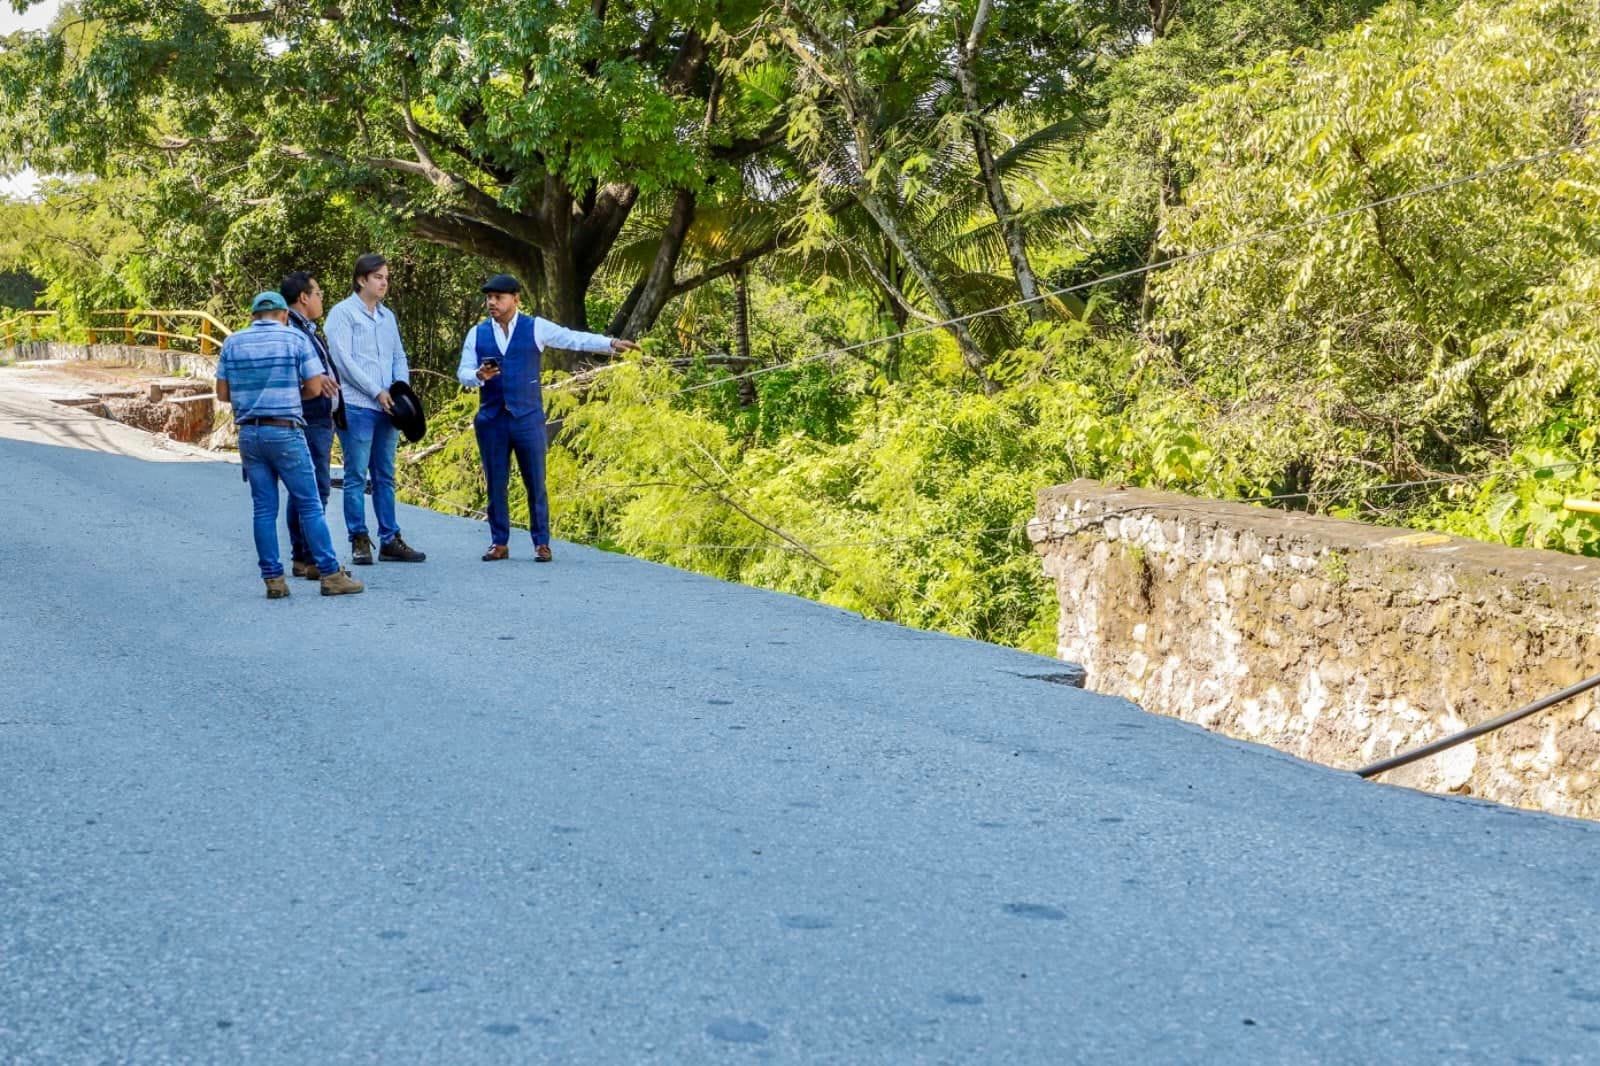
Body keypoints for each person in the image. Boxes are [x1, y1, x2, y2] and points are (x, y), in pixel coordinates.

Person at [456, 273, 639, 561]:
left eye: (498, 297)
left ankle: (541, 543)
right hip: (492, 419)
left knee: (535, 482)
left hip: (527, 418)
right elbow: (463, 372)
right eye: (489, 298)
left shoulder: (535, 327)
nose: (492, 303)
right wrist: (478, 375)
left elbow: (572, 338)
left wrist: (610, 344)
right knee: (496, 483)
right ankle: (499, 542)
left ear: (515, 299)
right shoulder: (477, 333)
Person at [215, 291, 364, 599]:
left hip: (249, 434)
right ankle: (330, 574)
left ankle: (273, 580)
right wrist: (290, 396)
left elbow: (223, 393)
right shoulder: (294, 339)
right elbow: (314, 386)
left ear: (254, 316)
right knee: (309, 504)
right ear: (284, 315)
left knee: (263, 509)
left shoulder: (233, 343)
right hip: (285, 431)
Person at [324, 253, 426, 566]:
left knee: (385, 474)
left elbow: (399, 356)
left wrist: (400, 391)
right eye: (378, 277)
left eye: (386, 278)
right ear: (361, 279)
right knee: (356, 474)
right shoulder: (343, 313)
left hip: (389, 407)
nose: (384, 283)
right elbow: (343, 361)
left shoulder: (387, 317)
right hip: (358, 405)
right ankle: (358, 538)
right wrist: (375, 391)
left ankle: (390, 538)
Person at [280, 270, 342, 580]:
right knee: (314, 489)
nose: (321, 299)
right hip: (310, 416)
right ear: (304, 297)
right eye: (318, 293)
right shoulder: (293, 330)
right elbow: (295, 373)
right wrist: (316, 382)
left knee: (303, 489)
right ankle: (314, 557)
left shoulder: (305, 328)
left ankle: (303, 556)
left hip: (318, 416)